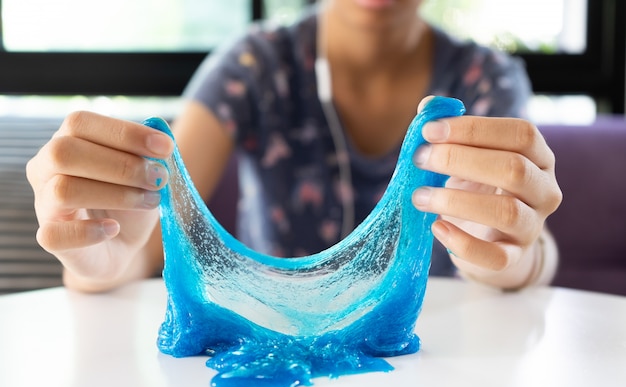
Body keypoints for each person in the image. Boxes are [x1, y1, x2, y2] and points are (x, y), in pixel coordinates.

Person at [26, 0, 562, 293]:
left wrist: (514, 256)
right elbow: (143, 248)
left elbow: (525, 242)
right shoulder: (257, 64)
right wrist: (101, 249)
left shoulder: (487, 79)